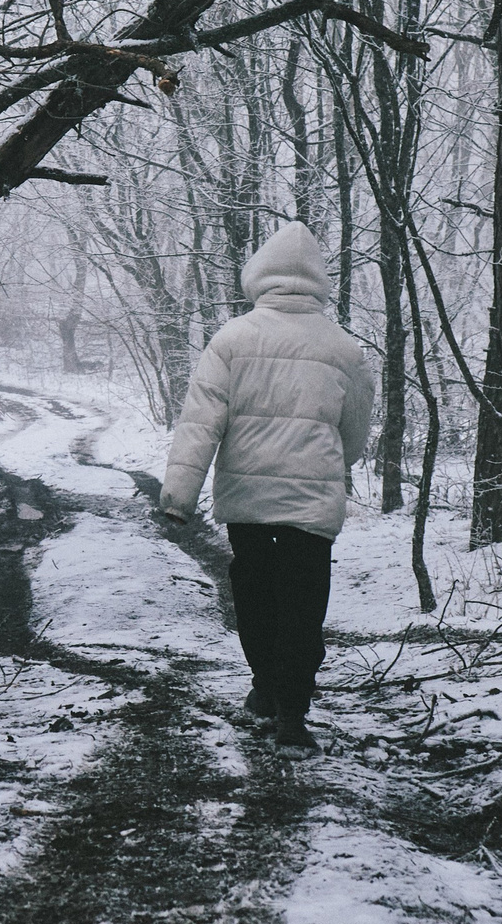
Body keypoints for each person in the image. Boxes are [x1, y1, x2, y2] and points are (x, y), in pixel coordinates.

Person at [155, 222, 373, 757]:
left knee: (254, 595)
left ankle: (266, 687)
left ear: (259, 276)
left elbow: (200, 423)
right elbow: (355, 434)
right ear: (317, 281)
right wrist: (331, 462)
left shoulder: (232, 339)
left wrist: (179, 494)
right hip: (313, 503)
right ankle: (293, 714)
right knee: (303, 602)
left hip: (247, 502)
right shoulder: (345, 348)